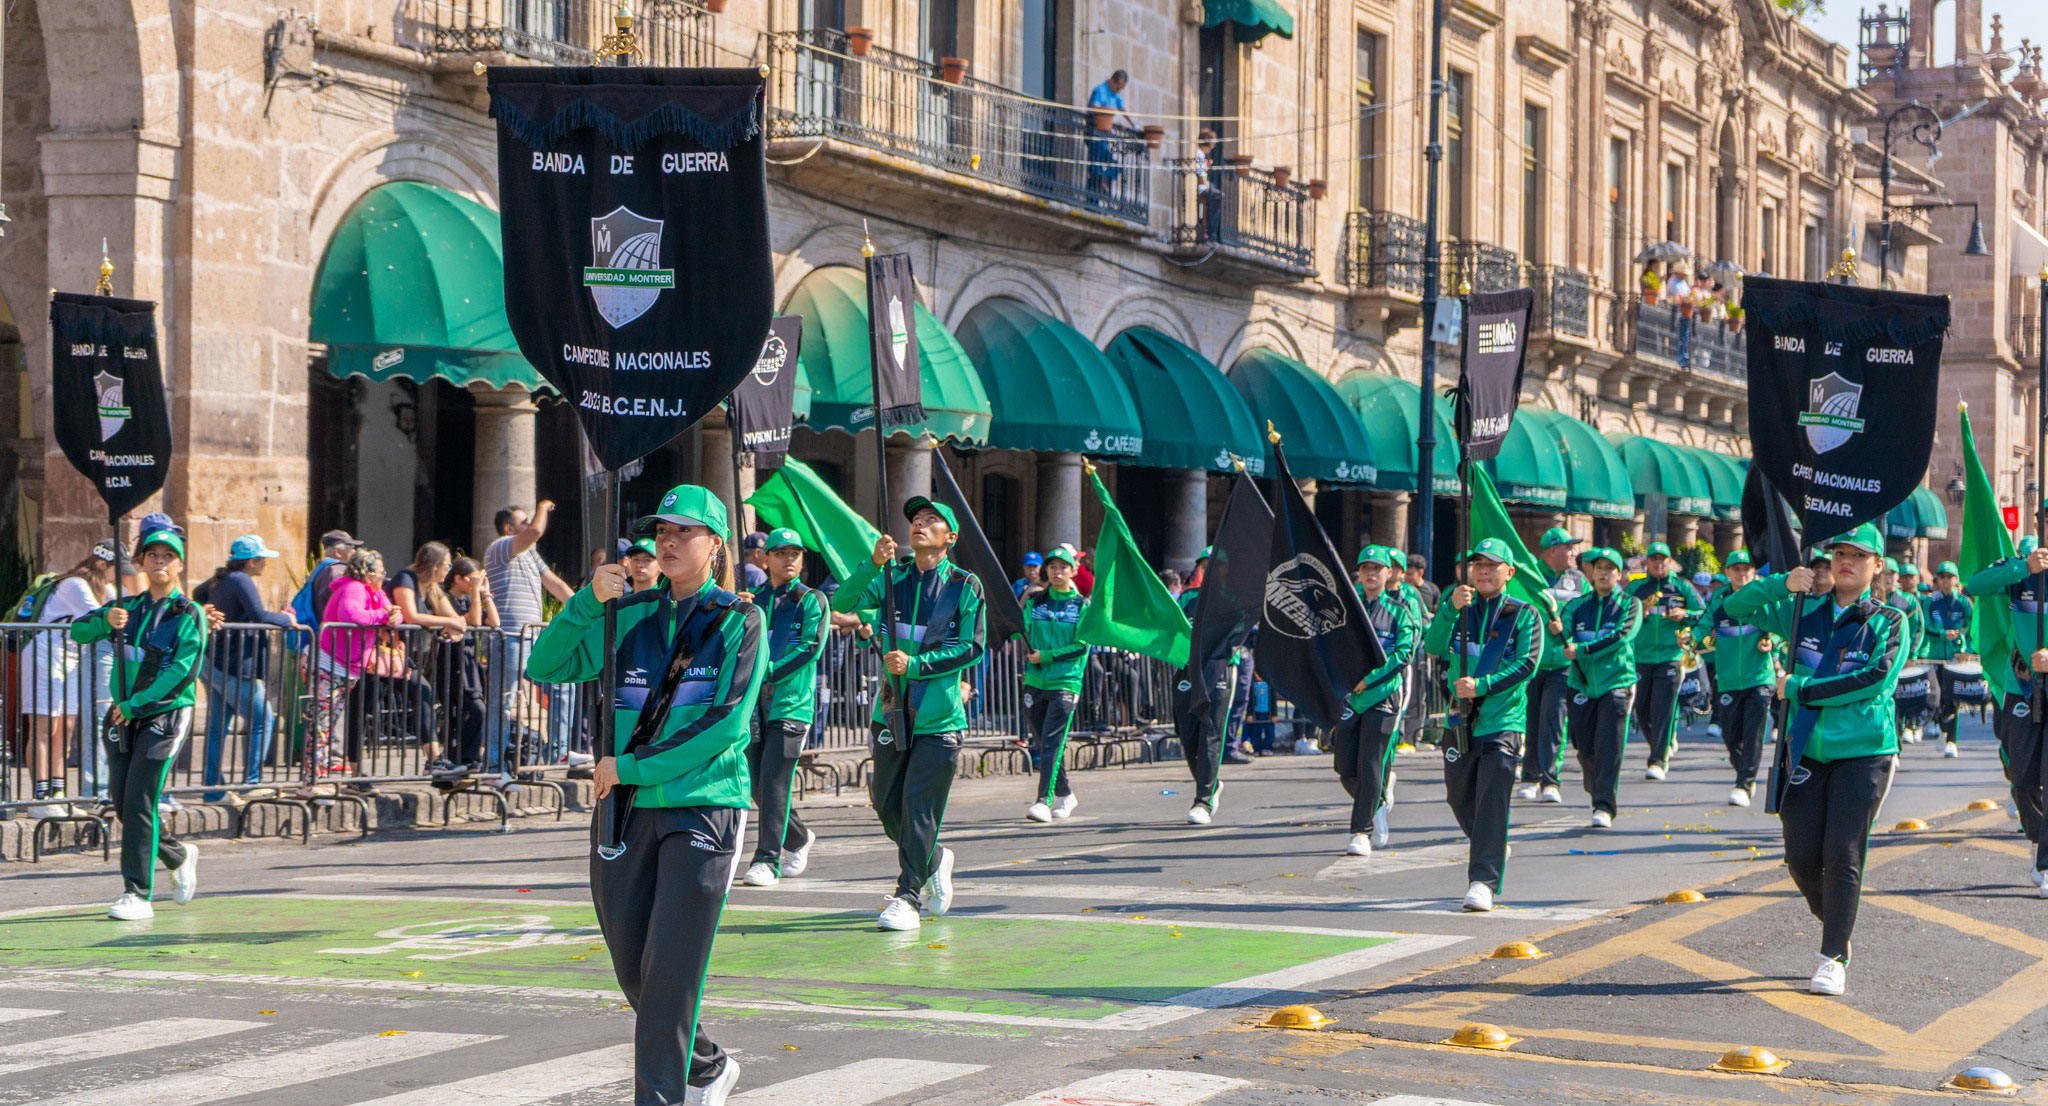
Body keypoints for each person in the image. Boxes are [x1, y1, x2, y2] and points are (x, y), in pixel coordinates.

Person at [529, 483, 763, 1106]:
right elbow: (545, 667)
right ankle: (706, 1064)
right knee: (635, 971)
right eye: (662, 530)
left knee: (669, 974)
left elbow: (725, 724)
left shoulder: (740, 619)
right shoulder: (625, 614)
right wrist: (586, 602)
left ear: (716, 544)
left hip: (702, 806)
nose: (669, 541)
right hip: (623, 812)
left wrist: (629, 766)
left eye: (685, 531)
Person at [1724, 523, 1908, 995]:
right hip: (1804, 749)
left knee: (1842, 853)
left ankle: (1832, 956)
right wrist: (1779, 584)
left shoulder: (1890, 620)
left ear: (1877, 566)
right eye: (1840, 553)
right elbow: (1734, 608)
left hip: (1864, 753)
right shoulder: (1802, 610)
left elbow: (1875, 679)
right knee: (1802, 858)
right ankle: (1839, 923)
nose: (1846, 561)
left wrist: (1803, 689)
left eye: (1858, 555)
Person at [831, 495, 987, 931]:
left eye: (931, 520)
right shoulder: (891, 576)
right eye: (916, 519)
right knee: (885, 803)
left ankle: (908, 897)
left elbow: (972, 647)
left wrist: (916, 664)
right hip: (891, 712)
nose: (919, 524)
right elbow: (842, 600)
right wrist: (872, 562)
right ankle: (934, 859)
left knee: (919, 809)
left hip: (939, 720)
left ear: (949, 537)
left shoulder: (964, 585)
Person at [69, 526, 207, 921]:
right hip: (123, 715)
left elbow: (182, 672)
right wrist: (105, 620)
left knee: (140, 800)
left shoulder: (189, 613)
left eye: (168, 556)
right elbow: (78, 630)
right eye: (153, 555)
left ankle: (137, 893)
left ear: (180, 564)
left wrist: (136, 705)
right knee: (123, 802)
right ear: (141, 562)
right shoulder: (127, 608)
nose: (160, 562)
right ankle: (177, 855)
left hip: (163, 715)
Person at [1423, 538, 1542, 912]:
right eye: (1478, 565)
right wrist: (1449, 609)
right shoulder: (1460, 608)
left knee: (1492, 798)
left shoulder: (1524, 614)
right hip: (1460, 720)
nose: (1484, 571)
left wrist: (1482, 685)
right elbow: (1433, 646)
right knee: (1458, 796)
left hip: (1502, 720)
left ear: (1509, 572)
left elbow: (1526, 664)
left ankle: (1483, 881)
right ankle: (1492, 842)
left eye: (1492, 565)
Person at [740, 528, 826, 888]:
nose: (789, 559)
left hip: (791, 705)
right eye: (780, 553)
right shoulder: (753, 599)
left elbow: (810, 648)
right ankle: (799, 837)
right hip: (753, 705)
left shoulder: (812, 599)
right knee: (756, 783)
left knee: (775, 781)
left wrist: (769, 671)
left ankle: (767, 859)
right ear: (765, 559)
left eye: (795, 553)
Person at [1964, 538, 2048, 894]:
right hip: (2022, 686)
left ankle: (2046, 861)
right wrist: (2024, 568)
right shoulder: (2021, 569)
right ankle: (2039, 839)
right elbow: (1975, 584)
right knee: (2022, 776)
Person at [193, 535, 297, 805]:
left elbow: (197, 594)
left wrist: (207, 609)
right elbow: (259, 615)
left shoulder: (222, 578)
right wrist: (287, 619)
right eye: (262, 559)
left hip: (216, 661)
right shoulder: (241, 580)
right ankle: (252, 783)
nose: (265, 564)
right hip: (235, 665)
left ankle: (213, 790)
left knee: (217, 727)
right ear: (252, 562)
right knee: (263, 719)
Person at [20, 542, 119, 818]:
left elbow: (119, 615)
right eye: (118, 569)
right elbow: (102, 619)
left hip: (71, 656)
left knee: (65, 729)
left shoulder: (107, 589)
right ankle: (40, 798)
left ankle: (59, 794)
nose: (119, 577)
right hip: (45, 653)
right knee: (44, 727)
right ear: (104, 565)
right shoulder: (75, 585)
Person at [1332, 546, 1418, 856]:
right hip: (1350, 698)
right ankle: (1377, 801)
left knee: (1370, 763)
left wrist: (1369, 680)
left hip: (1382, 696)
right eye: (1365, 568)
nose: (1371, 573)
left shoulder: (1399, 611)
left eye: (1377, 568)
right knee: (1345, 767)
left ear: (1388, 573)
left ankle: (1360, 831)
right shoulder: (1346, 608)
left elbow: (1403, 653)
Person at [484, 502, 577, 771]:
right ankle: (494, 766)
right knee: (504, 701)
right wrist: (542, 507)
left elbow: (554, 584)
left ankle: (557, 753)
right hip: (510, 638)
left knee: (563, 687)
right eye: (522, 521)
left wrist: (584, 609)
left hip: (534, 637)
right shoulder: (500, 546)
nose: (528, 525)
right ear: (509, 528)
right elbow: (536, 531)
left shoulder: (530, 555)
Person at [1562, 548, 1640, 828]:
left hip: (1616, 683)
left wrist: (1582, 649)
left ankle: (1604, 805)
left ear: (1619, 574)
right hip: (1581, 683)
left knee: (1608, 745)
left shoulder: (1630, 604)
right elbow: (1563, 633)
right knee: (1584, 746)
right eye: (1599, 568)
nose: (1604, 573)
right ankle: (1597, 784)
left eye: (1610, 568)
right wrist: (1556, 630)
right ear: (1591, 573)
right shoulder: (1576, 606)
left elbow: (1621, 637)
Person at [312, 549, 402, 783]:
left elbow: (393, 613)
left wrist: (393, 616)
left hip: (350, 666)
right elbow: (351, 615)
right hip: (331, 664)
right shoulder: (353, 588)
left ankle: (319, 777)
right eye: (381, 573)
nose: (384, 577)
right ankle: (312, 780)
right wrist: (383, 616)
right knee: (322, 723)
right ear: (368, 574)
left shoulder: (376, 592)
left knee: (329, 722)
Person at [1173, 546, 1246, 825]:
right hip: (1188, 669)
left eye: (1216, 564)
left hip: (1220, 669)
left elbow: (1237, 636)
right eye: (1205, 565)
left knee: (1210, 735)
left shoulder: (1235, 599)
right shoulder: (1188, 597)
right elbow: (1174, 628)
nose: (1211, 569)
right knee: (1187, 734)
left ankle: (1202, 801)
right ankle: (1212, 783)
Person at [1695, 551, 1774, 807]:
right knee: (1730, 736)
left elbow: (1780, 623)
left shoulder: (1762, 594)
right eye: (1736, 569)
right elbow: (1705, 623)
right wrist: (1692, 638)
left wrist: (1772, 640)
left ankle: (1744, 784)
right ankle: (1744, 773)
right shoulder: (1719, 598)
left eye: (1746, 569)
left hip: (1759, 677)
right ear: (1728, 572)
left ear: (1754, 571)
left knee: (1753, 733)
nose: (1742, 574)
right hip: (1728, 679)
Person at [1019, 544, 1090, 823]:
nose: (1057, 571)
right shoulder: (1036, 602)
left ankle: (1043, 802)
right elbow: (1021, 630)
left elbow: (1081, 645)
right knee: (1042, 741)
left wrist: (1045, 656)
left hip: (1065, 682)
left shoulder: (1082, 606)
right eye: (1052, 567)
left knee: (1052, 743)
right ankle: (1066, 793)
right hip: (1034, 680)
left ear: (1073, 571)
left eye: (1063, 567)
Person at [1517, 528, 1586, 804]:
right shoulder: (1528, 577)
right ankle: (1530, 776)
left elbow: (1587, 613)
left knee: (1554, 719)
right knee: (1531, 719)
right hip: (1531, 662)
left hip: (1562, 664)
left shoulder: (1579, 580)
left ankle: (1550, 779)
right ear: (1552, 550)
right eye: (1569, 547)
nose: (1573, 552)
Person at [1628, 541, 1704, 779]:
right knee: (1642, 709)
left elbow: (1704, 614)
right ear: (1647, 563)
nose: (1658, 563)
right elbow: (1621, 613)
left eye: (1663, 559)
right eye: (1654, 559)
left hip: (1671, 656)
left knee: (1663, 708)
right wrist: (1639, 612)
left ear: (1670, 561)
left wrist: (1685, 614)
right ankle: (1664, 742)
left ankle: (1658, 761)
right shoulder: (1637, 587)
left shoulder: (1682, 586)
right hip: (1641, 656)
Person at [441, 556, 499, 772]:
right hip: (453, 659)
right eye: (473, 579)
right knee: (473, 709)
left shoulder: (469, 599)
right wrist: (476, 592)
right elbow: (474, 620)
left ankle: (465, 758)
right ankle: (464, 757)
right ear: (458, 578)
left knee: (473, 709)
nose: (477, 583)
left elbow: (494, 622)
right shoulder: (446, 599)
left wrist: (485, 594)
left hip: (469, 660)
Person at [1921, 560, 1974, 750]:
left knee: (1952, 698)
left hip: (1955, 657)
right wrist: (1943, 634)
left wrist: (1968, 651)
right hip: (1935, 656)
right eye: (1942, 577)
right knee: (1937, 697)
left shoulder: (1964, 603)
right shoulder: (1930, 602)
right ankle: (1939, 727)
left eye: (1949, 577)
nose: (1946, 580)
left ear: (1956, 579)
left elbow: (1973, 628)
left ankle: (1952, 740)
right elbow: (1926, 627)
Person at [291, 529, 363, 628]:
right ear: (338, 552)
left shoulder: (320, 568)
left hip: (318, 627)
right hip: (332, 630)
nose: (354, 552)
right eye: (351, 547)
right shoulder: (337, 571)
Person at [1085, 70, 1134, 200]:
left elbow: (1122, 108)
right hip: (1094, 132)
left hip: (1104, 136)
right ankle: (1093, 197)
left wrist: (1134, 125)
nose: (1119, 90)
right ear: (1112, 81)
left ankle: (1103, 179)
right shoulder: (1100, 90)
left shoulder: (1115, 95)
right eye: (1118, 87)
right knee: (1095, 165)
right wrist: (1108, 115)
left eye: (1121, 88)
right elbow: (1095, 107)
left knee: (1115, 166)